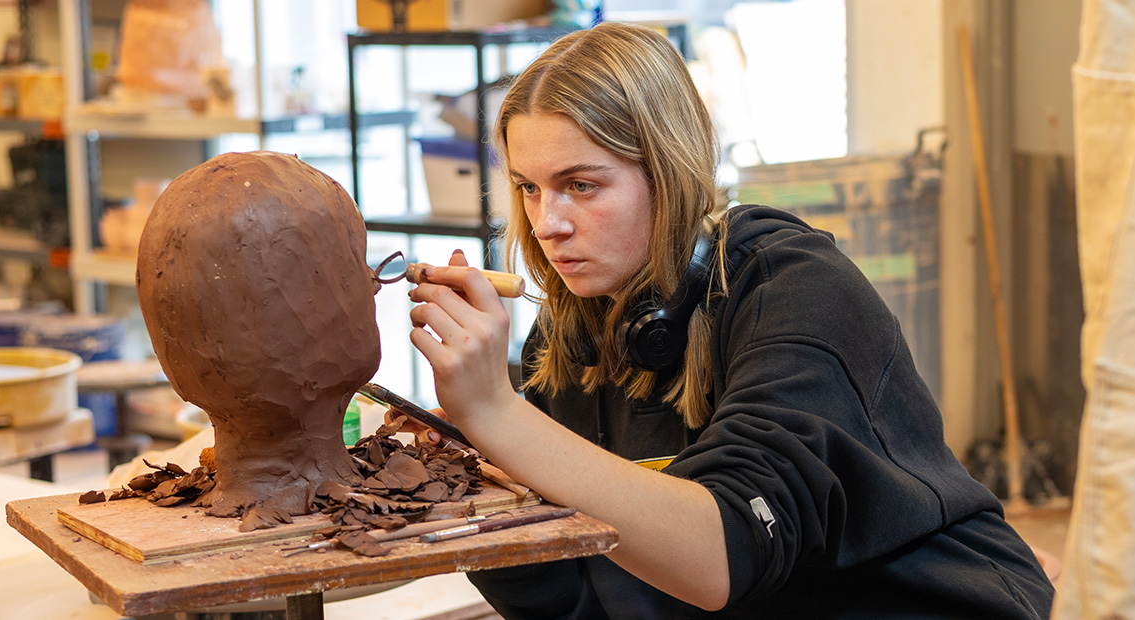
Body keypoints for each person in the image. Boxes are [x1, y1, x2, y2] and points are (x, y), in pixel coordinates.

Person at [403, 22, 1054, 619]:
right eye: (528, 187)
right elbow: (577, 599)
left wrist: (499, 414)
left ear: (668, 171)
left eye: (581, 185)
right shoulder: (572, 338)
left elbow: (726, 552)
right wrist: (481, 478)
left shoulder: (796, 290)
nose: (547, 223)